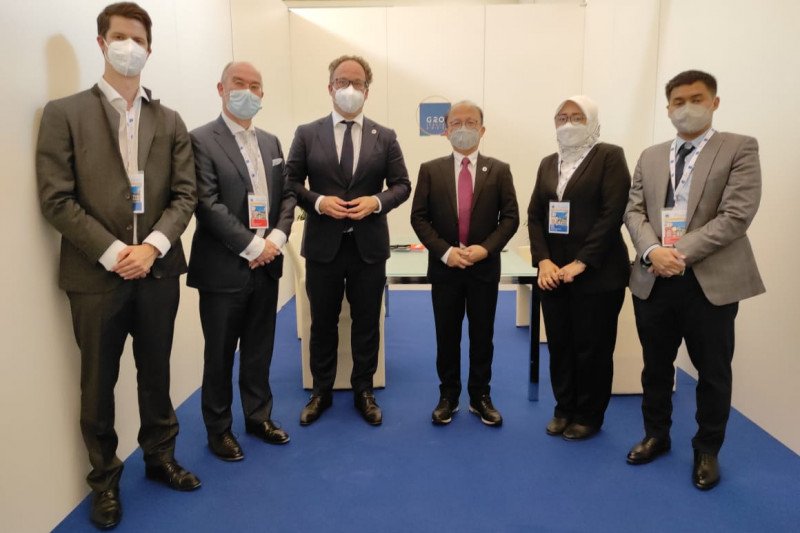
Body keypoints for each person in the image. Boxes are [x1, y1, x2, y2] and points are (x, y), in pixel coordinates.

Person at [35, 2, 200, 529]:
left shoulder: (169, 120)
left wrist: (151, 247)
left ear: (150, 49)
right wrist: (113, 253)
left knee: (157, 372)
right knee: (97, 383)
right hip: (94, 277)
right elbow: (56, 199)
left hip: (158, 271)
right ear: (102, 43)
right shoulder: (64, 114)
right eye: (120, 37)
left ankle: (160, 457)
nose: (130, 47)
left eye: (139, 39)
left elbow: (185, 195)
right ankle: (104, 481)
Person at [624, 70, 765, 490]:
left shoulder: (739, 147)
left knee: (713, 371)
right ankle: (656, 434)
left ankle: (707, 449)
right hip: (653, 277)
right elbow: (634, 210)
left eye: (697, 99)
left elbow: (736, 215)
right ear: (668, 108)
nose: (687, 108)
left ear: (714, 102)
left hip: (708, 282)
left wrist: (678, 253)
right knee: (655, 365)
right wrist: (653, 251)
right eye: (678, 101)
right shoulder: (651, 155)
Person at [286, 55, 411, 426]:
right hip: (322, 247)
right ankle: (320, 391)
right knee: (322, 322)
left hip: (368, 248)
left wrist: (377, 202)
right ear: (330, 87)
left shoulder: (384, 136)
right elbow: (290, 183)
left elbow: (402, 185)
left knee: (366, 321)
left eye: (357, 83)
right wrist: (318, 202)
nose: (349, 89)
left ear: (367, 91)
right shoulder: (307, 133)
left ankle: (364, 390)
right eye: (342, 82)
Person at [187, 62, 296, 462]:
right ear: (221, 88)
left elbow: (288, 196)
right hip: (223, 269)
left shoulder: (271, 142)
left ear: (262, 94)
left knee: (258, 348)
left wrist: (275, 240)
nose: (247, 92)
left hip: (267, 265)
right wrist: (253, 246)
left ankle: (258, 416)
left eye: (255, 86)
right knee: (219, 354)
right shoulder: (200, 140)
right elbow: (207, 204)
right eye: (239, 83)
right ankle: (219, 429)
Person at [527, 96, 631, 440]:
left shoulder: (609, 156)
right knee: (560, 345)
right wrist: (543, 260)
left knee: (593, 349)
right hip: (553, 274)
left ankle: (588, 414)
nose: (568, 124)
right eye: (562, 117)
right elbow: (535, 215)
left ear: (593, 122)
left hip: (598, 274)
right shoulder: (548, 163)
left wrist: (581, 262)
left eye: (577, 117)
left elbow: (612, 213)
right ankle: (564, 408)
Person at [410, 101, 519, 427]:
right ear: (445, 131)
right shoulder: (430, 169)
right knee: (447, 335)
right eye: (456, 123)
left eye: (471, 122)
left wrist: (486, 249)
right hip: (445, 269)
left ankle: (480, 396)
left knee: (483, 336)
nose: (463, 128)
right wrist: (445, 252)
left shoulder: (499, 170)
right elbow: (419, 217)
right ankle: (448, 396)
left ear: (482, 130)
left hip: (484, 269)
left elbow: (510, 218)